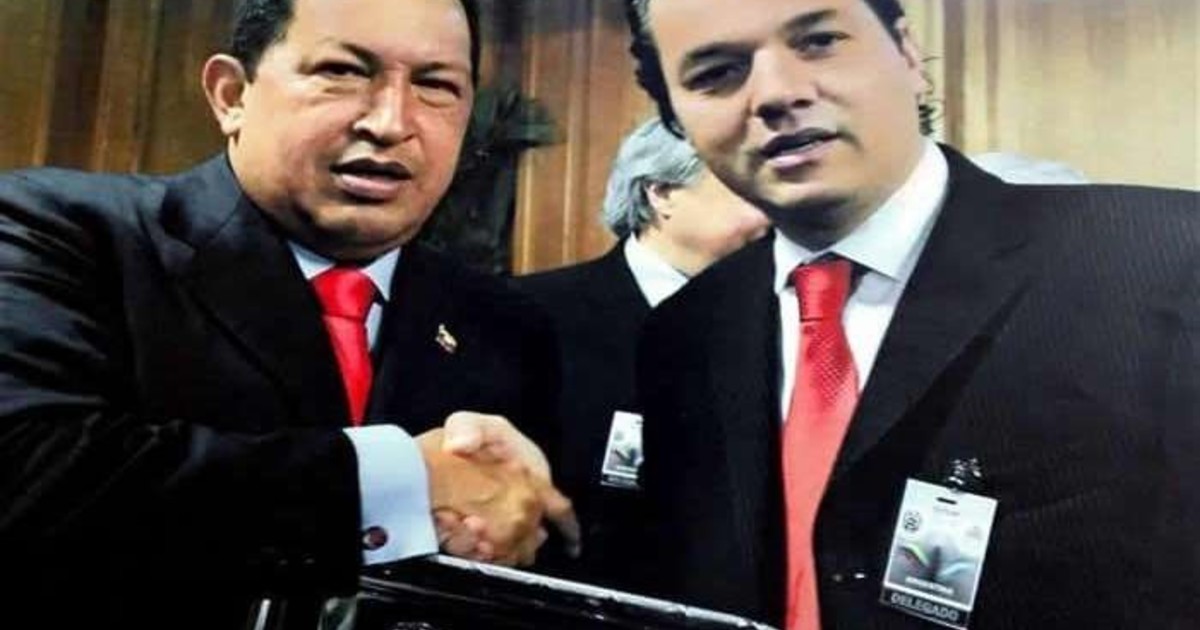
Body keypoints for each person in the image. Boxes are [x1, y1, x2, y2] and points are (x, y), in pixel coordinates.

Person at [0, 0, 578, 628]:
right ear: (231, 95)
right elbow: (30, 470)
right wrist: (400, 481)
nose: (391, 123)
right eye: (342, 72)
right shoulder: (57, 229)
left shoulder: (505, 324)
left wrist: (504, 529)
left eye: (436, 86)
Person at [623, 0, 1199, 628]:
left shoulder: (1160, 260)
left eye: (818, 41)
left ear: (907, 54)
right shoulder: (683, 332)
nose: (777, 93)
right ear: (675, 118)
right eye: (716, 74)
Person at [515, 117, 768, 587]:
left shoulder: (775, 324)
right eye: (747, 190)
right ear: (662, 193)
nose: (772, 215)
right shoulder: (530, 312)